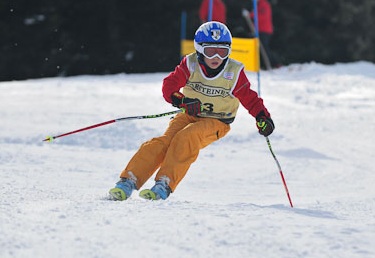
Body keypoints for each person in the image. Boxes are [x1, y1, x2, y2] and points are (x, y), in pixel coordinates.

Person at [109, 21, 274, 201]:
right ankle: (128, 181)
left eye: (223, 51)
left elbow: (250, 98)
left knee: (186, 137)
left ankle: (164, 184)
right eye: (211, 51)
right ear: (199, 49)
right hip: (188, 115)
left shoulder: (233, 72)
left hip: (217, 121)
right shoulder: (191, 64)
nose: (217, 57)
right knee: (162, 142)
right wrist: (182, 101)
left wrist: (262, 117)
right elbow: (169, 86)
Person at [244, 0, 278, 68]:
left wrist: (251, 15)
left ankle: (273, 64)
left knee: (264, 49)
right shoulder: (259, 4)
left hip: (264, 30)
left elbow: (262, 17)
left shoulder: (263, 4)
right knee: (261, 49)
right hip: (260, 30)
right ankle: (264, 65)